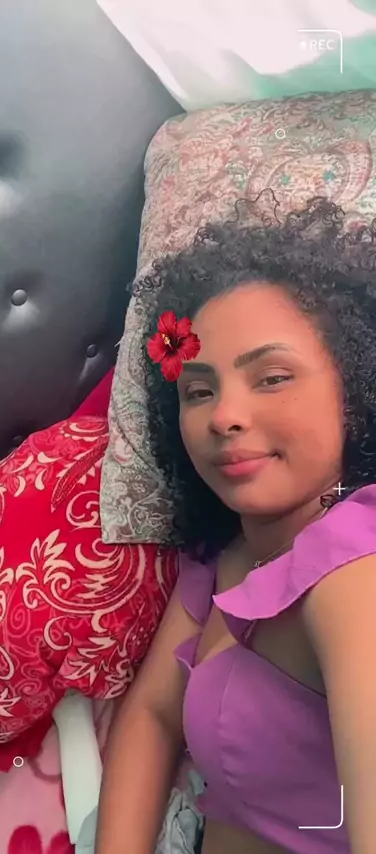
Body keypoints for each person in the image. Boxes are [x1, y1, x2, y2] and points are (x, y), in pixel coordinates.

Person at [94, 195, 376, 854]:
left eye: (271, 378)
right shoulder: (229, 554)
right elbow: (152, 715)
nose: (224, 416)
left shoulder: (354, 576)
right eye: (198, 391)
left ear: (356, 392)